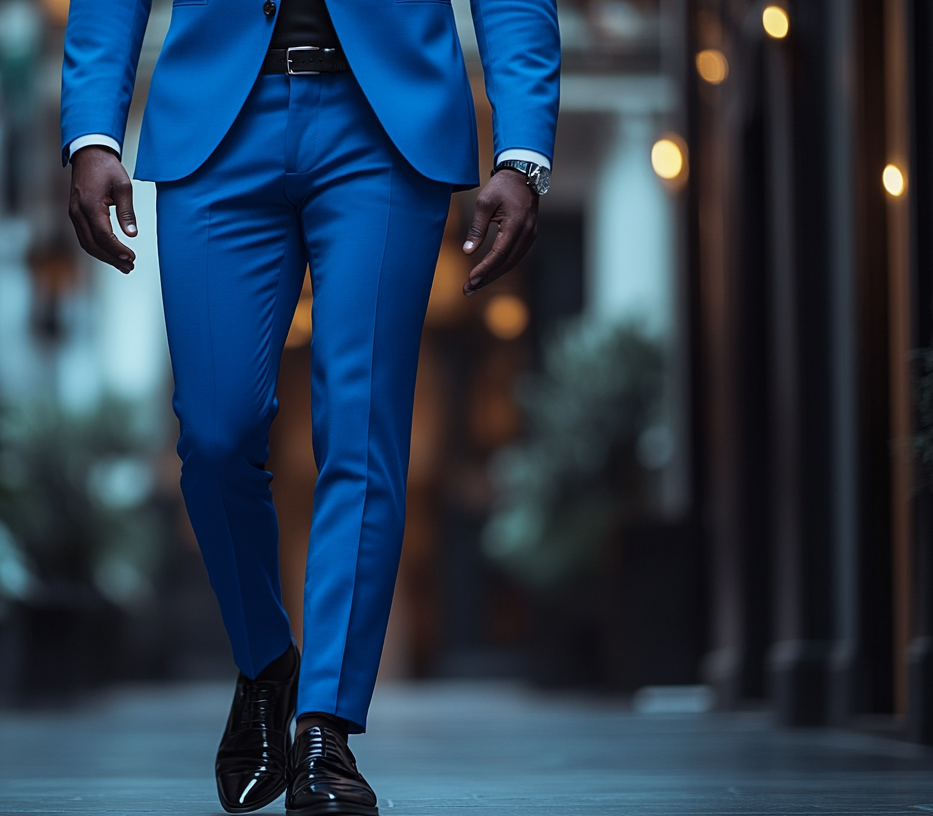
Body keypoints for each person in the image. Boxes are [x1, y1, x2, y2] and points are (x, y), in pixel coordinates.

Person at [61, 1, 559, 813]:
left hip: (384, 124)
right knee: (216, 435)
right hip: (218, 121)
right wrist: (91, 131)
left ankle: (325, 728)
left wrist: (524, 148)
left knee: (362, 432)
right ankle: (267, 663)